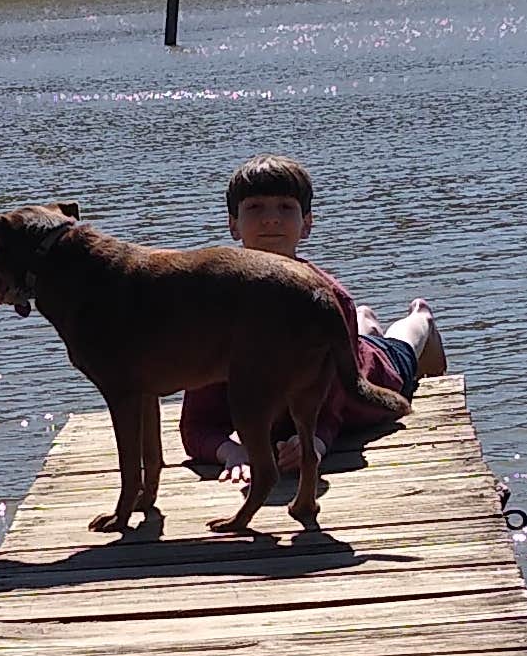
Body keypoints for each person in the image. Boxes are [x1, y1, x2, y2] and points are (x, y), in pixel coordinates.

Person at [177, 154, 444, 479]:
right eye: (255, 207)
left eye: (285, 207)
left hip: (365, 375)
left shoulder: (329, 299)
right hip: (341, 345)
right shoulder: (212, 308)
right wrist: (232, 451)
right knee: (361, 335)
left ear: (306, 224)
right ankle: (364, 324)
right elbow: (197, 424)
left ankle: (421, 317)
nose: (271, 219)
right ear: (233, 224)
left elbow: (335, 410)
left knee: (401, 347)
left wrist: (315, 442)